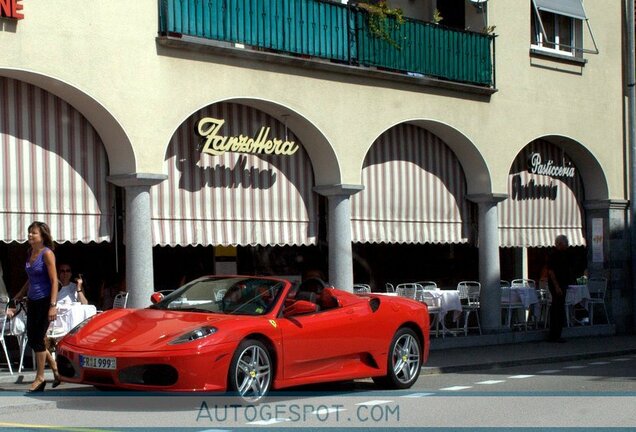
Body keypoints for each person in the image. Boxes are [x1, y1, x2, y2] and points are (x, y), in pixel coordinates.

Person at [13, 221, 62, 391]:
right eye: (29, 233)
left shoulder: (47, 254)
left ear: (42, 236)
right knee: (35, 339)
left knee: (37, 338)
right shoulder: (31, 252)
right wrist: (21, 292)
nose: (30, 236)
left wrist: (53, 305)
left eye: (33, 233)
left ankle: (40, 378)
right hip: (32, 300)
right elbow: (31, 277)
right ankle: (55, 367)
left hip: (44, 300)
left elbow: (54, 281)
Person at [546, 234, 574, 343]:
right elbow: (551, 272)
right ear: (560, 244)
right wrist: (557, 286)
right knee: (557, 308)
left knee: (559, 308)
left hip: (562, 284)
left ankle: (557, 333)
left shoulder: (566, 254)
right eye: (565, 244)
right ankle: (554, 334)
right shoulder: (553, 255)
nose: (566, 246)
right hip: (557, 285)